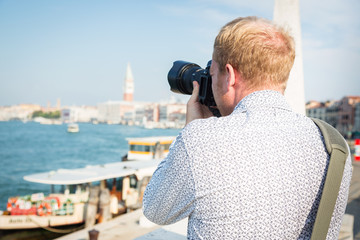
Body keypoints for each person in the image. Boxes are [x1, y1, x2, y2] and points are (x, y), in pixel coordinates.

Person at [142, 16, 352, 239]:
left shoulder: (202, 140)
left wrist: (193, 128)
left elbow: (156, 210)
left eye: (212, 74)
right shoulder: (333, 143)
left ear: (230, 76)